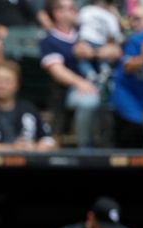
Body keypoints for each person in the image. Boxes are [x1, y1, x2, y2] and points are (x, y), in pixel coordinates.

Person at [40, 0, 101, 148]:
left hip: (98, 81)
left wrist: (93, 53)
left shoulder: (85, 33)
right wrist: (81, 83)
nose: (75, 11)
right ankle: (85, 147)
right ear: (57, 13)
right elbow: (57, 71)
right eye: (71, 8)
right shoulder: (49, 40)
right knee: (89, 101)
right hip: (68, 91)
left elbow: (115, 50)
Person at [0, 60, 57, 151]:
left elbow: (48, 140)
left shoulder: (28, 108)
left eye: (7, 81)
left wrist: (36, 148)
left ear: (17, 84)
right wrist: (12, 148)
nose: (1, 85)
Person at [109, 5, 143, 148]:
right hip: (129, 95)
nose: (132, 22)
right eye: (131, 18)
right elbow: (128, 67)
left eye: (137, 19)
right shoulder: (134, 39)